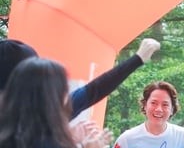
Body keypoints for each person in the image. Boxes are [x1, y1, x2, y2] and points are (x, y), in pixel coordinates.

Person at [0, 38, 160, 119]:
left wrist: (137, 59)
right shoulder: (44, 117)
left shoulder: (45, 113)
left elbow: (92, 90)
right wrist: (137, 59)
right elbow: (93, 91)